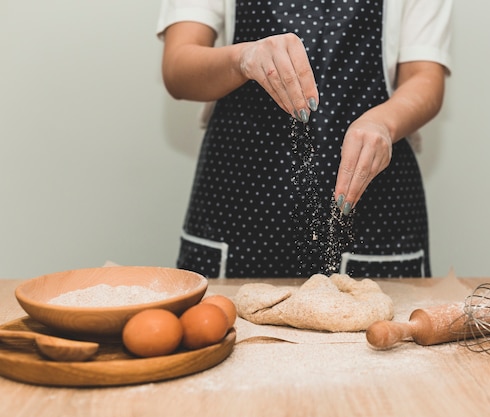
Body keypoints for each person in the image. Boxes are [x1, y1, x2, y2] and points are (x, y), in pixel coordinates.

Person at [157, 0, 452, 278]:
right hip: (238, 208)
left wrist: (383, 123)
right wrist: (242, 59)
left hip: (374, 211)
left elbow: (424, 77)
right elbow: (178, 67)